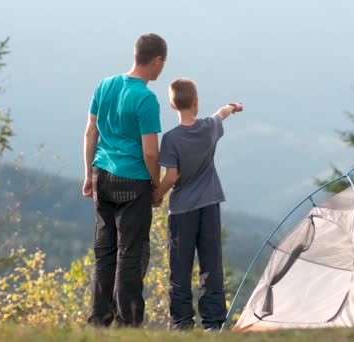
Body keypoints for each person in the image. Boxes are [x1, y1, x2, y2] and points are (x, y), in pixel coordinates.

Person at [82, 33, 167, 327]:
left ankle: (98, 321)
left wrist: (87, 174)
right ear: (156, 60)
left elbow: (91, 132)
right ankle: (128, 322)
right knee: (129, 255)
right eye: (162, 64)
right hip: (133, 182)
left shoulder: (105, 85)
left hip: (102, 175)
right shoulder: (145, 98)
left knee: (104, 253)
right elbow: (150, 153)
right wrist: (156, 186)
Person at [157, 78, 244, 330]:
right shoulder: (208, 128)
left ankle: (182, 322)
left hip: (182, 211)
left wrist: (157, 195)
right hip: (209, 205)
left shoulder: (171, 139)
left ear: (172, 104)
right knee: (211, 265)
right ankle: (213, 323)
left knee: (180, 268)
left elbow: (171, 176)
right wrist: (233, 107)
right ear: (196, 102)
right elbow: (221, 113)